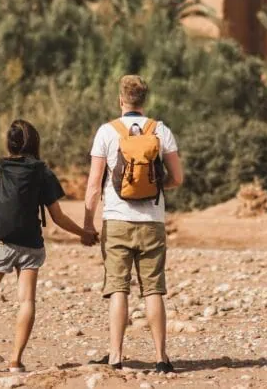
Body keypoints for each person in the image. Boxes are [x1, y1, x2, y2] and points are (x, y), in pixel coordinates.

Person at [0, 120, 96, 376]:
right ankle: (15, 361)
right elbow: (58, 216)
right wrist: (84, 234)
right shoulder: (42, 172)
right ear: (34, 143)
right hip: (31, 244)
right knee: (27, 301)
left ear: (8, 144)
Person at [83, 75, 184, 374]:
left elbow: (93, 184)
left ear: (121, 100)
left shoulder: (107, 131)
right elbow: (178, 178)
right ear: (144, 100)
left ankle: (115, 355)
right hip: (152, 220)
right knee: (153, 290)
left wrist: (88, 224)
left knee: (118, 290)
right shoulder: (160, 130)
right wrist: (155, 185)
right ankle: (161, 357)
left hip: (115, 220)